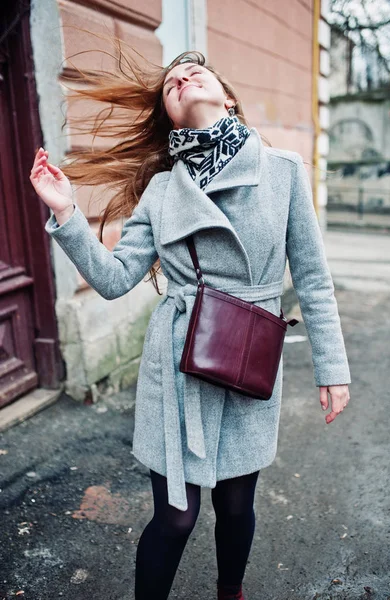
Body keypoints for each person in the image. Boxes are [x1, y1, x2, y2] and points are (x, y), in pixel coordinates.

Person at [30, 47, 351, 600]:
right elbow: (113, 278)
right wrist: (66, 213)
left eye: (196, 71)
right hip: (178, 365)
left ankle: (231, 591)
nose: (183, 77)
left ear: (227, 96)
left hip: (248, 351)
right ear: (170, 116)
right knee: (176, 517)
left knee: (235, 504)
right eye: (172, 81)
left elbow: (315, 279)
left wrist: (333, 367)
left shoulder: (283, 171)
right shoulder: (161, 192)